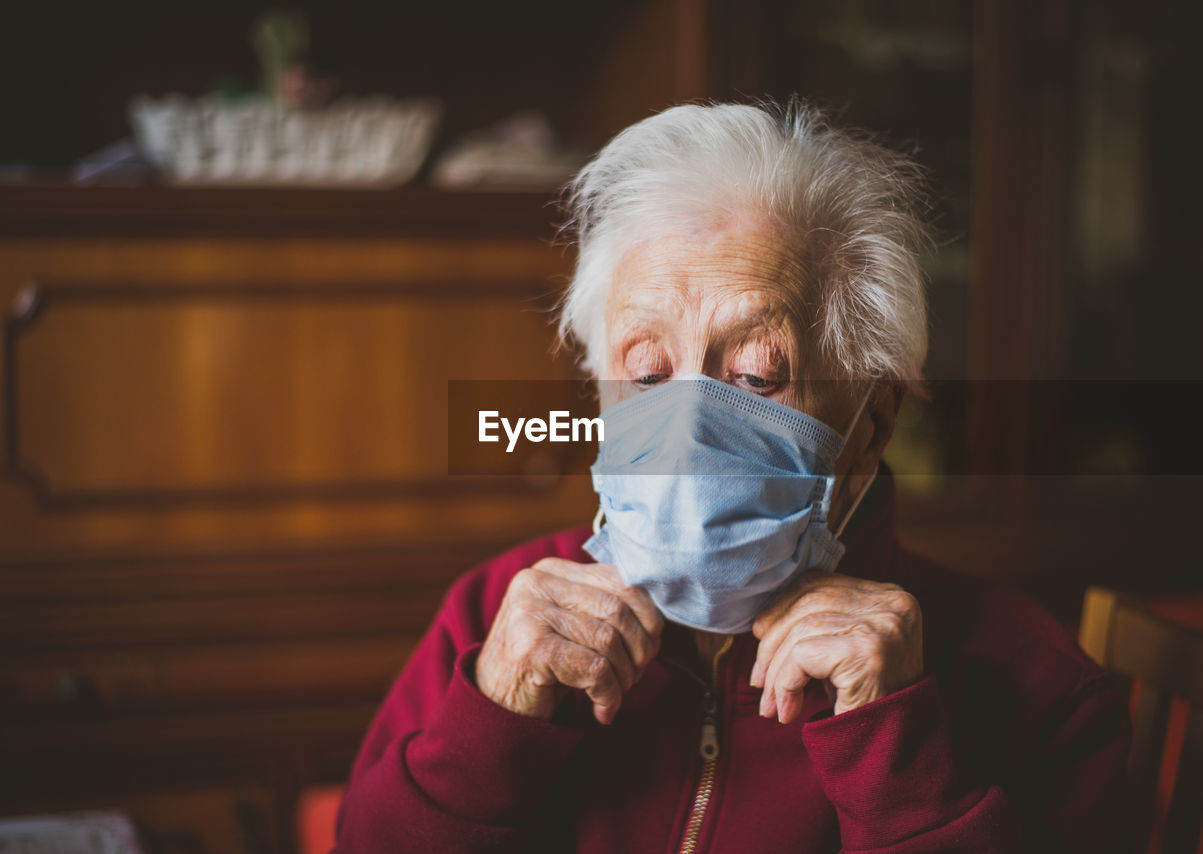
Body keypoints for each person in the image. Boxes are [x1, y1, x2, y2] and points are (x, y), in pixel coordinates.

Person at [333, 100, 1130, 853]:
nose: (684, 431)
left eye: (756, 374)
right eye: (646, 375)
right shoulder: (493, 613)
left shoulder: (1037, 686)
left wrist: (894, 742)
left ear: (871, 426)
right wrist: (494, 717)